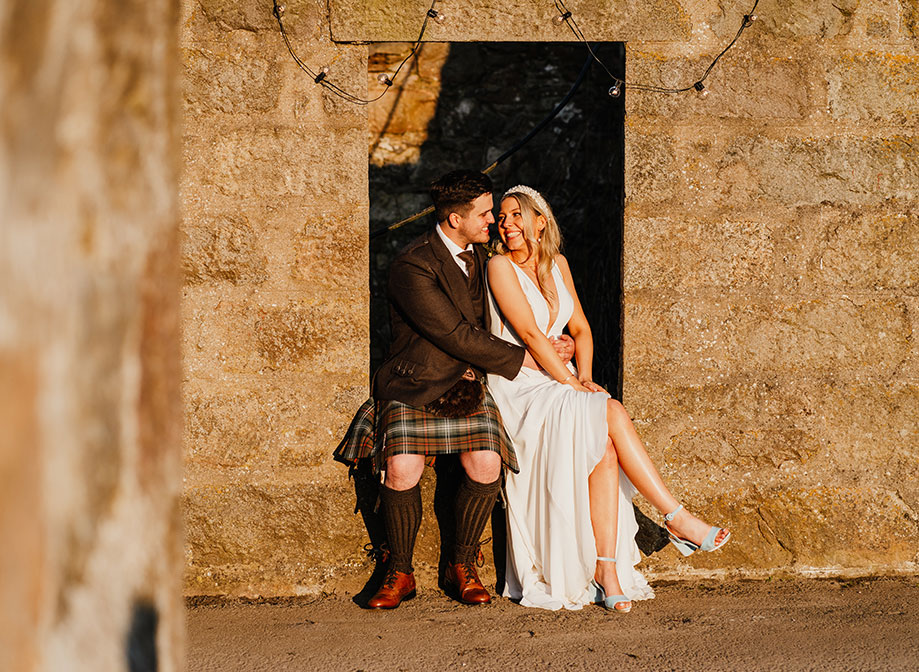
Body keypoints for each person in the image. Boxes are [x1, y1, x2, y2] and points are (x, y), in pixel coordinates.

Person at [334, 171, 573, 609]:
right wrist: (534, 360)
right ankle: (399, 570)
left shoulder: (487, 260)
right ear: (452, 219)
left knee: (485, 463)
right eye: (484, 214)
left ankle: (461, 563)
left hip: (469, 381)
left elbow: (517, 314)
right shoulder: (412, 265)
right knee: (402, 467)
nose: (494, 222)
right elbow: (457, 334)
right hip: (417, 382)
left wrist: (561, 340)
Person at [486, 185, 730, 612]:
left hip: (557, 377)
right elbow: (527, 334)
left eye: (514, 215)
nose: (506, 224)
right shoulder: (499, 267)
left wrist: (584, 375)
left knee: (605, 444)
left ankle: (607, 570)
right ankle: (677, 518)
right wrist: (569, 381)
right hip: (520, 385)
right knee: (609, 410)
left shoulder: (557, 265)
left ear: (540, 221)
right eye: (501, 217)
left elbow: (580, 329)